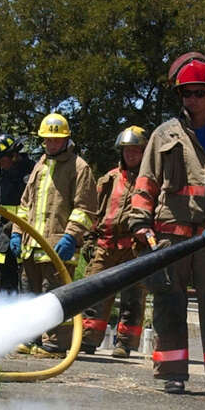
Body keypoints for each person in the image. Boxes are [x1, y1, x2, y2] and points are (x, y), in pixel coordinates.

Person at [125, 53, 205, 399]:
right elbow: (146, 182)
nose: (192, 99)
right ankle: (172, 373)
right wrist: (140, 222)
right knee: (169, 304)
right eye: (186, 93)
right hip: (170, 237)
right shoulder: (164, 135)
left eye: (199, 92)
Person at [10, 112, 98, 355]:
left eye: (56, 140)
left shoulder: (79, 167)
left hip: (58, 246)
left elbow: (85, 209)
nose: (51, 144)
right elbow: (25, 205)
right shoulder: (40, 166)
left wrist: (71, 236)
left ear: (66, 139)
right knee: (29, 294)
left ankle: (55, 343)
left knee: (55, 297)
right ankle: (31, 338)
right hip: (31, 246)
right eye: (47, 139)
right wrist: (17, 231)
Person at [81, 125, 149, 357]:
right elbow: (94, 210)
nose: (131, 154)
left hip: (134, 248)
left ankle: (125, 344)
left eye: (136, 150)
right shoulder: (109, 179)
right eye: (127, 150)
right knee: (94, 292)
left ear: (144, 152)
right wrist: (89, 238)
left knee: (133, 298)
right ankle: (88, 340)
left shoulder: (150, 181)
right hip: (106, 244)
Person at [0, 134, 33, 294]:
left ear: (13, 155)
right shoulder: (0, 176)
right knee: (5, 293)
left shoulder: (32, 172)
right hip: (3, 241)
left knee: (27, 291)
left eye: (1, 160)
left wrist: (17, 229)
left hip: (27, 239)